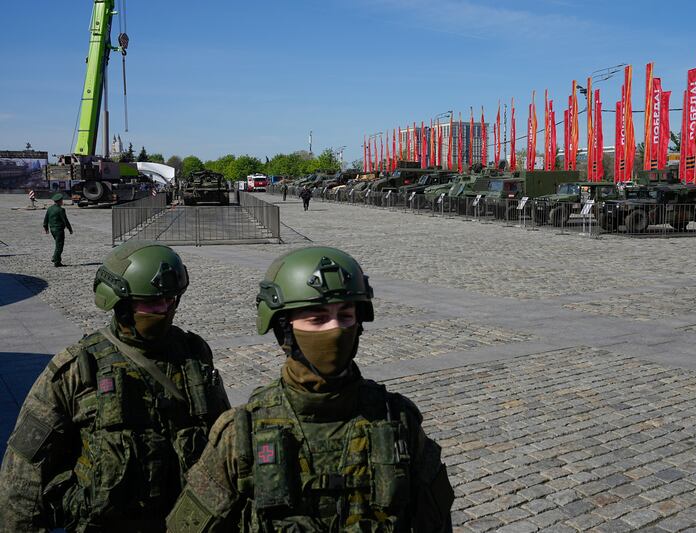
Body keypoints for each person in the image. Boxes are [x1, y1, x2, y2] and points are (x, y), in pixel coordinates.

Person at [167, 246, 454, 532]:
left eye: (345, 315)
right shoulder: (242, 433)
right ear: (285, 330)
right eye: (317, 319)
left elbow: (437, 522)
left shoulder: (397, 420)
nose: (335, 329)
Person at [0, 241, 231, 531]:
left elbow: (223, 443)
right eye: (150, 303)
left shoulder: (194, 356)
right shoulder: (78, 370)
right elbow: (22, 477)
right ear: (120, 304)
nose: (164, 309)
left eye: (170, 300)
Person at [42, 192, 72, 267]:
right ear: (59, 201)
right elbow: (65, 220)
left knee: (57, 244)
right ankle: (56, 259)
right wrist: (70, 229)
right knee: (59, 246)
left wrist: (46, 228)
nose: (62, 202)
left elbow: (46, 219)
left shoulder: (49, 209)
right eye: (62, 200)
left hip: (52, 229)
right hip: (59, 230)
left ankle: (56, 260)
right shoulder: (61, 210)